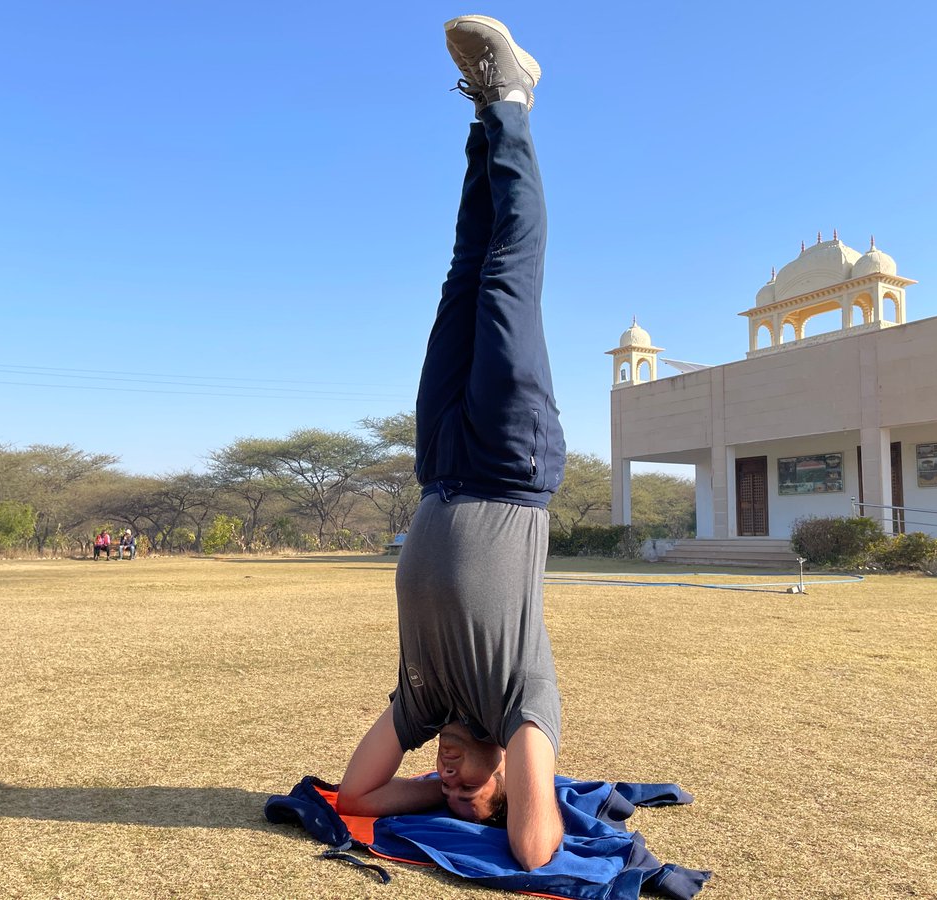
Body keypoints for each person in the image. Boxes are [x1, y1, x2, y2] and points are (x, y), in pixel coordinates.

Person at [337, 15, 566, 871]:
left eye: (452, 788)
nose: (456, 778)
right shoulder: (522, 705)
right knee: (509, 278)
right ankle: (514, 98)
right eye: (478, 790)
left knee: (462, 274)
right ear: (513, 774)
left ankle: (481, 116)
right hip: (509, 468)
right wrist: (500, 790)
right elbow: (537, 851)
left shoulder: (422, 705)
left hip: (438, 468)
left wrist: (437, 795)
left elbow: (357, 796)